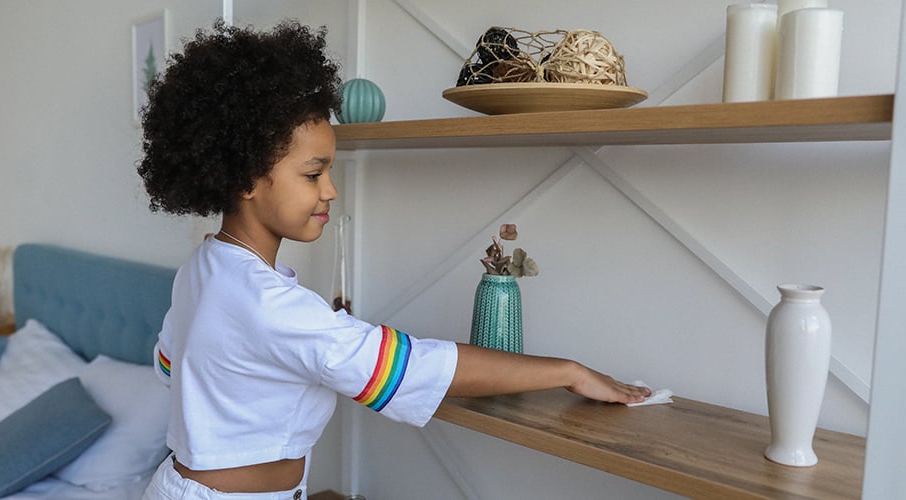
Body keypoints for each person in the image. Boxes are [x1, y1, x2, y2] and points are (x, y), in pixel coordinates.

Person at [138, 19, 650, 500]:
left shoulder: (205, 267)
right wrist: (567, 370)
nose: (331, 191)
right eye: (314, 174)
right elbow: (410, 368)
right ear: (246, 179)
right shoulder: (270, 305)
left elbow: (171, 364)